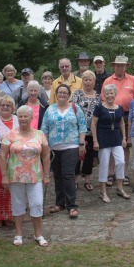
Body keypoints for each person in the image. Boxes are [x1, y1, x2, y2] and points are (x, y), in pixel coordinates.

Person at [0, 105, 51, 247]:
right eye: (20, 116)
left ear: (31, 118)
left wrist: (46, 175)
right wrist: (4, 175)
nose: (22, 119)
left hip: (35, 176)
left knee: (37, 204)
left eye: (25, 116)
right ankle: (18, 234)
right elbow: (3, 156)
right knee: (18, 205)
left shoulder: (39, 134)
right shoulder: (10, 134)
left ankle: (38, 234)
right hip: (15, 176)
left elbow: (46, 155)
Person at [41, 84, 87, 217]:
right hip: (54, 148)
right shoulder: (50, 109)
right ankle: (60, 203)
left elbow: (82, 126)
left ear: (68, 95)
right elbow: (44, 128)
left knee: (68, 175)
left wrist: (81, 143)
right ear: (56, 94)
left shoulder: (75, 108)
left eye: (64, 93)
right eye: (59, 92)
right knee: (58, 176)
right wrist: (46, 146)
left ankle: (72, 206)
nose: (62, 95)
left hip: (71, 147)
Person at [101, 55, 134, 186]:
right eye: (117, 65)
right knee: (112, 145)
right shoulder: (108, 80)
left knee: (126, 145)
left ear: (126, 66)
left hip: (128, 116)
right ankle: (111, 173)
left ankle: (124, 174)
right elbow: (103, 99)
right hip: (111, 115)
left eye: (122, 65)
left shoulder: (133, 80)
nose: (119, 67)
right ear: (114, 66)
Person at [92, 84, 130, 202]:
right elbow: (93, 124)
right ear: (104, 95)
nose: (109, 95)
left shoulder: (119, 108)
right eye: (107, 93)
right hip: (103, 139)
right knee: (104, 164)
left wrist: (124, 137)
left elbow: (122, 123)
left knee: (121, 162)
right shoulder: (99, 107)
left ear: (115, 94)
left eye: (111, 93)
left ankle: (119, 188)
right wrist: (95, 141)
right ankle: (103, 191)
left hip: (116, 138)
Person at [0, 95, 18, 227]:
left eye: (8, 105)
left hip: (15, 160)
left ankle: (9, 216)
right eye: (2, 105)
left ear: (13, 108)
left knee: (12, 187)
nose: (5, 107)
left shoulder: (17, 119)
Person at [70, 70, 101, 192]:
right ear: (82, 81)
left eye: (90, 80)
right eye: (85, 80)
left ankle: (87, 180)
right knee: (77, 155)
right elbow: (71, 111)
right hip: (78, 131)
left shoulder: (98, 96)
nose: (88, 82)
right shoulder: (77, 94)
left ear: (94, 82)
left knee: (89, 157)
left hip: (93, 132)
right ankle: (75, 180)